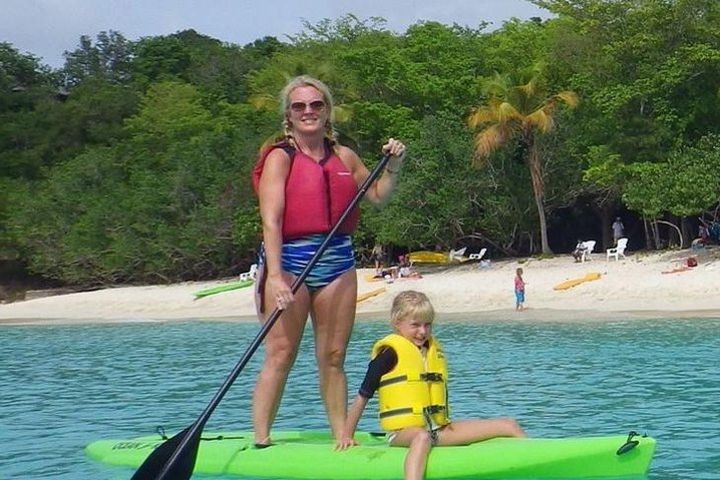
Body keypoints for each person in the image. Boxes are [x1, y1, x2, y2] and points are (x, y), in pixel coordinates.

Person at [251, 75, 406, 447]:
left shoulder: (345, 157)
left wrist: (396, 164)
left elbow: (380, 196)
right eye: (299, 106)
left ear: (327, 111)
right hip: (289, 260)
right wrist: (275, 276)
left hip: (337, 260)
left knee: (334, 355)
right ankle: (261, 439)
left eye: (316, 105)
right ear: (288, 115)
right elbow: (271, 220)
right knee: (281, 352)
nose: (309, 112)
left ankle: (342, 436)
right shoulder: (279, 158)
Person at [336, 291, 526, 480]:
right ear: (397, 323)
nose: (423, 331)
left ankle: (533, 471)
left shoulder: (432, 351)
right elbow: (363, 395)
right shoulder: (388, 355)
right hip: (403, 434)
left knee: (509, 425)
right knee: (421, 437)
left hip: (439, 431)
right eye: (415, 325)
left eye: (428, 325)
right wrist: (347, 435)